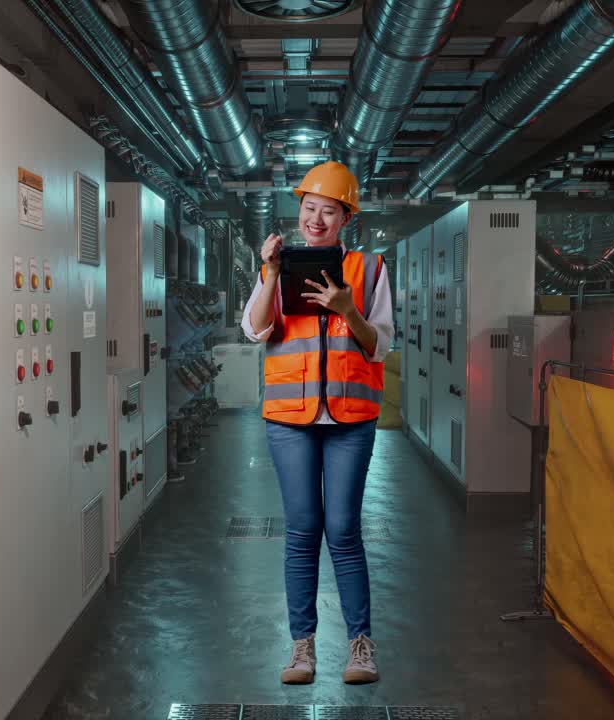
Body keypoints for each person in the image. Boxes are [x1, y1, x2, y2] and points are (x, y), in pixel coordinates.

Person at [240, 161, 393, 685]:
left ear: (346, 217)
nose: (316, 220)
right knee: (303, 530)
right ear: (299, 210)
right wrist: (270, 273)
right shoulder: (276, 266)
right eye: (309, 208)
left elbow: (380, 346)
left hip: (350, 418)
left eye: (329, 211)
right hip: (291, 419)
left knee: (344, 530)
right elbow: (255, 329)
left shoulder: (369, 269)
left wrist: (348, 310)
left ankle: (360, 647)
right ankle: (302, 648)